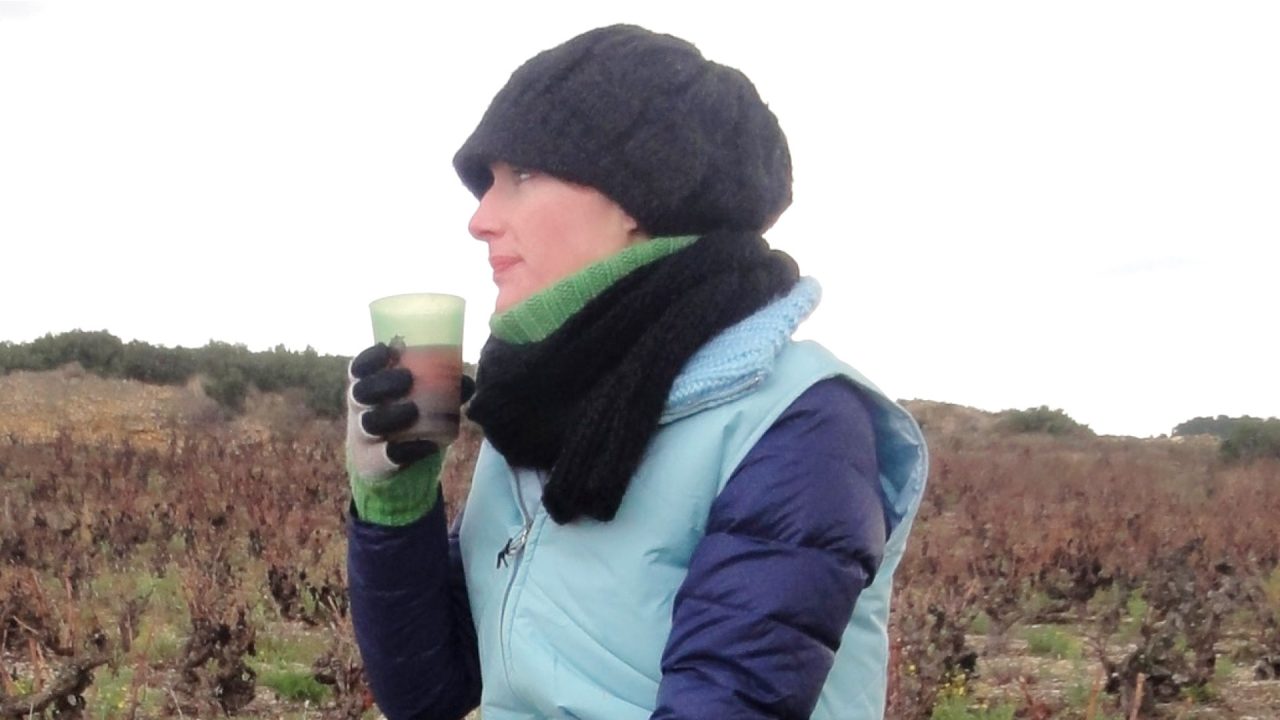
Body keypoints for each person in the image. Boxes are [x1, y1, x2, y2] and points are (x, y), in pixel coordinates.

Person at [344, 24, 927, 720]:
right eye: (485, 185)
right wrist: (393, 504)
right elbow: (428, 693)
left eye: (521, 177)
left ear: (638, 196)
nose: (480, 219)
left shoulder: (798, 425)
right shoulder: (535, 407)